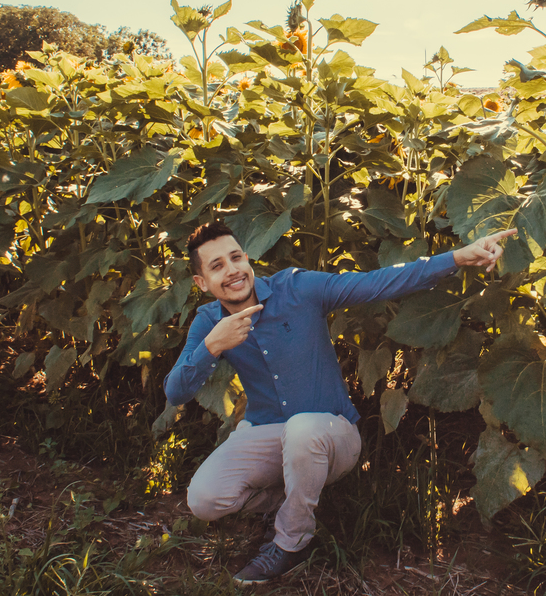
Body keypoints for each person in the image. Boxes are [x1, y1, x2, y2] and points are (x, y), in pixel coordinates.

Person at [163, 220, 516, 584]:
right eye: (217, 265)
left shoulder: (297, 289)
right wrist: (212, 346)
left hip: (333, 434)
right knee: (204, 499)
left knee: (303, 430)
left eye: (236, 257)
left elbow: (377, 281)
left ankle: (290, 541)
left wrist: (458, 257)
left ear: (248, 258)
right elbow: (176, 392)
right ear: (202, 283)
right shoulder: (209, 322)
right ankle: (297, 499)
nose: (233, 270)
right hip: (268, 433)